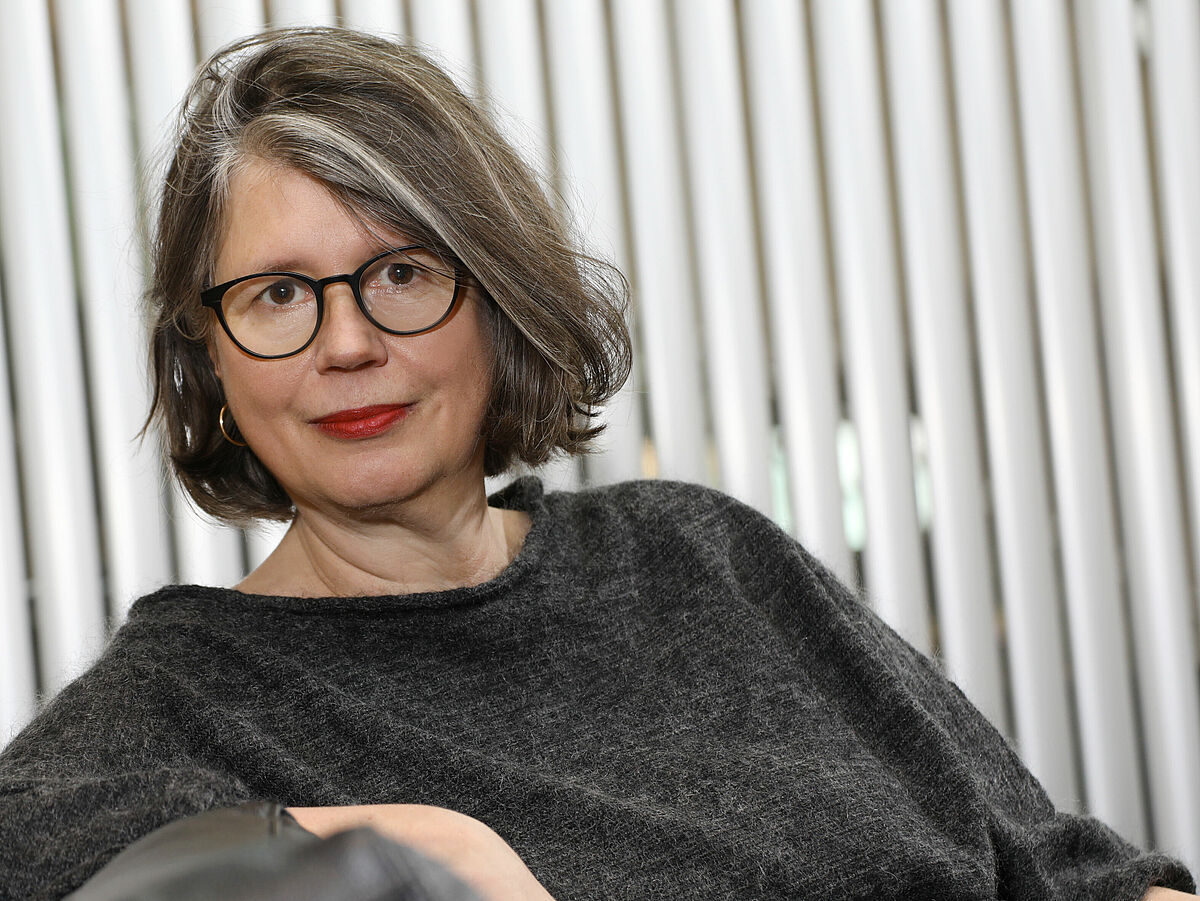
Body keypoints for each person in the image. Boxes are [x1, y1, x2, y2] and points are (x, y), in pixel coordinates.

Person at [0, 24, 1194, 901]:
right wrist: (420, 849)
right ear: (207, 355)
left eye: (403, 273)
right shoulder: (169, 717)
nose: (348, 343)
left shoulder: (705, 556)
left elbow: (1071, 876)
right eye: (277, 294)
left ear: (498, 298)